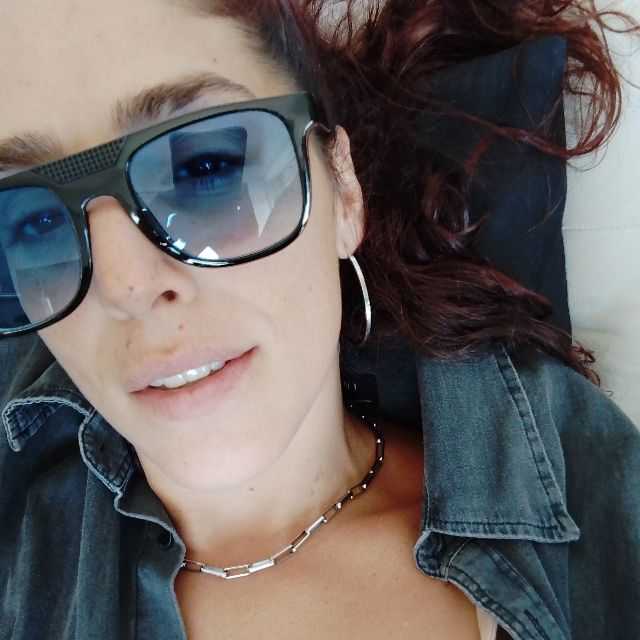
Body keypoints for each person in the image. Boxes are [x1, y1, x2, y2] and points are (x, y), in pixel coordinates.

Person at [0, 1, 638, 639]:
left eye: (204, 169)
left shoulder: (584, 500)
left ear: (343, 192)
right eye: (32, 222)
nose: (125, 287)